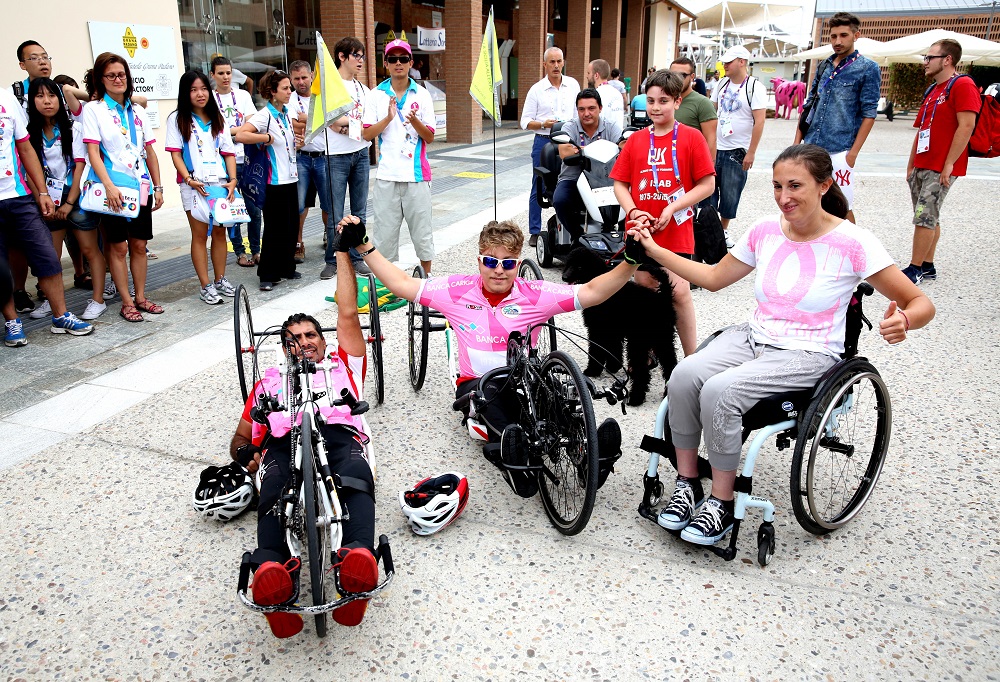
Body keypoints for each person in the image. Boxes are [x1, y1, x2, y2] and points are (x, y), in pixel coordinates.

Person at [629, 144, 935, 546]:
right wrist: (655, 251)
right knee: (685, 375)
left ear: (825, 185)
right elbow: (714, 277)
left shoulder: (853, 242)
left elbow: (921, 302)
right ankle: (689, 484)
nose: (783, 197)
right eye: (777, 186)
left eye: (795, 186)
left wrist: (905, 320)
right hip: (755, 337)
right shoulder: (765, 230)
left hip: (809, 352)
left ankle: (722, 501)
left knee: (722, 391)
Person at [336, 216, 639, 497]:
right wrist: (364, 244)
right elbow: (402, 284)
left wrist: (630, 261)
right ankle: (514, 460)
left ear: (517, 263)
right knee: (493, 397)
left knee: (555, 396)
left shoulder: (533, 293)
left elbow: (593, 291)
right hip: (478, 384)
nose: (499, 270)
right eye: (491, 261)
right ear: (479, 261)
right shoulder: (456, 291)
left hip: (524, 381)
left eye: (508, 263)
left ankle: (586, 456)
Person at [231, 252, 379, 637]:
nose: (303, 343)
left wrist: (344, 255)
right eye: (293, 339)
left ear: (324, 342)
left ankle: (357, 558)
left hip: (338, 435)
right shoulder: (267, 383)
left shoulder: (344, 366)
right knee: (274, 486)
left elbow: (347, 312)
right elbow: (241, 437)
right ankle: (271, 571)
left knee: (355, 472)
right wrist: (248, 454)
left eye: (310, 335)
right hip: (284, 443)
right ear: (283, 349)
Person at [610, 70, 716, 357]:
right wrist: (633, 209)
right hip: (642, 228)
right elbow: (619, 183)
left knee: (679, 292)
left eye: (664, 101)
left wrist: (672, 207)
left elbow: (707, 185)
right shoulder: (636, 140)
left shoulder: (692, 138)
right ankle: (645, 354)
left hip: (676, 228)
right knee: (644, 291)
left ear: (677, 102)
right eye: (651, 101)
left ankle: (691, 358)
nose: (656, 107)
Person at [1, 86, 93, 347]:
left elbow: (25, 149)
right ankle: (12, 321)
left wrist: (41, 191)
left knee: (46, 256)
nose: (47, 101)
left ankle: (61, 315)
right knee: (1, 268)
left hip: (19, 196)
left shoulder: (6, 98)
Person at [82, 51, 165, 323]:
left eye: (122, 74)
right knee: (118, 248)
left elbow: (150, 151)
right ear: (100, 79)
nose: (118, 79)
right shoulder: (94, 110)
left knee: (139, 245)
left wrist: (158, 186)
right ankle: (126, 302)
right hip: (114, 190)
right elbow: (93, 152)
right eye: (111, 75)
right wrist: (107, 185)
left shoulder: (138, 111)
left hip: (140, 187)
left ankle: (141, 297)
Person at [26, 77, 107, 321]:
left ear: (60, 100)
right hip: (48, 199)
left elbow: (80, 166)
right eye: (40, 96)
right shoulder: (29, 133)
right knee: (50, 255)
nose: (47, 101)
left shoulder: (74, 128)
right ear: (32, 101)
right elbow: (30, 169)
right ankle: (53, 302)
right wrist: (43, 197)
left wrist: (69, 202)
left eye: (51, 95)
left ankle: (98, 300)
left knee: (89, 249)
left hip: (77, 197)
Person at [901, 38, 980, 285]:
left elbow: (967, 125)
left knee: (924, 216)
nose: (925, 62)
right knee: (928, 215)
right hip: (923, 164)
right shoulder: (933, 90)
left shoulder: (963, 85)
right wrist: (911, 163)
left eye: (929, 57)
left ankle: (914, 269)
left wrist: (949, 164)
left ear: (947, 60)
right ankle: (928, 265)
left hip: (941, 166)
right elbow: (921, 129)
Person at [794, 12, 881, 225]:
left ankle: (853, 249)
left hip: (841, 147)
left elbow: (869, 113)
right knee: (811, 202)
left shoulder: (868, 68)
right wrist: (796, 145)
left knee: (843, 205)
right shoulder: (824, 65)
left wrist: (853, 154)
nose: (837, 41)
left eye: (843, 35)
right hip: (812, 145)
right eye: (833, 36)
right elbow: (809, 106)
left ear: (855, 35)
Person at [361, 39, 436, 273]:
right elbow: (366, 135)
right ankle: (386, 282)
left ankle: (426, 278)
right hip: (387, 176)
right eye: (392, 59)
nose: (398, 63)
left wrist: (415, 121)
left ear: (411, 62)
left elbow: (430, 137)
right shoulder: (376, 95)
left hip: (416, 176)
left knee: (422, 232)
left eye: (403, 58)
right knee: (384, 235)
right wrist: (387, 118)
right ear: (386, 63)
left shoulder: (422, 94)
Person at [165, 70, 239, 305]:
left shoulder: (218, 119)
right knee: (199, 235)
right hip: (194, 185)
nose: (200, 94)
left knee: (220, 233)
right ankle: (205, 285)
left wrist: (233, 179)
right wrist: (188, 179)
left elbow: (228, 153)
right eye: (194, 89)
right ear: (185, 93)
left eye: (204, 89)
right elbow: (175, 154)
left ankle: (220, 279)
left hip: (219, 184)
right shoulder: (177, 119)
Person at [235, 70, 300, 291]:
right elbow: (242, 135)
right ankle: (267, 274)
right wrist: (266, 138)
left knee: (291, 225)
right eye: (285, 88)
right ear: (272, 92)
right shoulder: (265, 115)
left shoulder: (286, 113)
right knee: (274, 227)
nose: (290, 91)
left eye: (289, 87)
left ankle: (286, 267)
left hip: (290, 177)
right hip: (274, 182)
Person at [520, 47, 580, 247]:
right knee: (539, 184)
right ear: (544, 64)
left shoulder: (573, 85)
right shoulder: (536, 89)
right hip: (544, 140)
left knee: (572, 182)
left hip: (569, 140)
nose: (556, 65)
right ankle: (535, 231)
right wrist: (544, 124)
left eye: (559, 61)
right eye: (552, 62)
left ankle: (571, 226)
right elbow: (525, 121)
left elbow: (579, 113)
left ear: (563, 62)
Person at [324, 36, 372, 278]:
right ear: (342, 57)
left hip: (361, 152)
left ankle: (356, 255)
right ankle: (333, 259)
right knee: (335, 211)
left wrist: (347, 126)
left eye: (362, 56)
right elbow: (332, 120)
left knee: (359, 210)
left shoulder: (363, 89)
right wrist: (353, 126)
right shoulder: (331, 87)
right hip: (337, 156)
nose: (361, 61)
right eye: (357, 55)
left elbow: (369, 120)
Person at [711, 45, 767, 247]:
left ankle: (723, 231)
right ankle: (711, 230)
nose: (725, 65)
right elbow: (712, 110)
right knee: (709, 193)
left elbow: (759, 121)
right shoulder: (721, 84)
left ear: (741, 62)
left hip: (737, 150)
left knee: (730, 195)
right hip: (717, 147)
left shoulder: (755, 87)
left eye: (729, 61)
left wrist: (751, 152)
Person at [211, 56, 262, 268]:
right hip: (223, 162)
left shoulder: (242, 96)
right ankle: (240, 252)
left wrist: (231, 133)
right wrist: (238, 132)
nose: (225, 77)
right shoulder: (210, 99)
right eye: (221, 73)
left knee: (254, 209)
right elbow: (215, 131)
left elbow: (254, 122)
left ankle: (256, 250)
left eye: (228, 73)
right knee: (232, 210)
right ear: (213, 75)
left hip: (247, 159)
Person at [552, 89, 622, 239]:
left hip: (605, 178)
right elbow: (565, 151)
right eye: (581, 109)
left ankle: (622, 237)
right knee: (560, 200)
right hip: (573, 177)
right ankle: (577, 237)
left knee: (630, 199)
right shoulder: (569, 127)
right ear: (577, 110)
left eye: (591, 108)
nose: (586, 113)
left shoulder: (611, 126)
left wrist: (579, 149)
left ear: (600, 108)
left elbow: (625, 145)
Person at [289, 59, 331, 265]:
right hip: (301, 158)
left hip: (324, 157)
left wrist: (306, 118)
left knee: (328, 202)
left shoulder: (322, 96)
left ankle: (328, 235)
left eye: (304, 77)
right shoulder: (289, 100)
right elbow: (294, 126)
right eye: (296, 78)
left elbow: (330, 120)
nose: (301, 82)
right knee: (299, 204)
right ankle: (298, 242)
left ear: (312, 76)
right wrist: (312, 119)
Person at [670, 58, 718, 168]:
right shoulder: (664, 100)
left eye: (682, 75)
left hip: (691, 166)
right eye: (673, 75)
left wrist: (707, 171)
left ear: (692, 77)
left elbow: (710, 140)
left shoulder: (703, 103)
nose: (677, 79)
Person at [587, 59, 625, 129]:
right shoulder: (617, 93)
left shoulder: (596, 95)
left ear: (596, 75)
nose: (587, 76)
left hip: (603, 137)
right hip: (618, 136)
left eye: (589, 73)